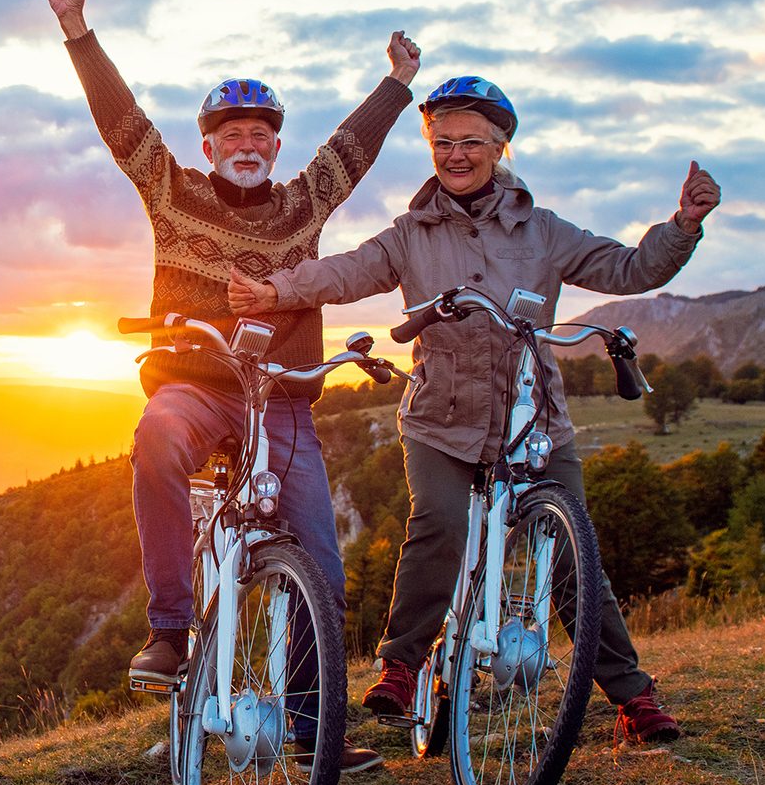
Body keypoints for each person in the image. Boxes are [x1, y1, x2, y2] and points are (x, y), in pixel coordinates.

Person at [228, 75, 722, 744]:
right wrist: (274, 290)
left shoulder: (543, 232)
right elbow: (345, 270)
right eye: (441, 142)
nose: (454, 154)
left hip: (533, 419)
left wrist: (684, 224)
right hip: (440, 419)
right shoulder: (412, 234)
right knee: (438, 525)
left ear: (500, 146)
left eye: (469, 141)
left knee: (575, 558)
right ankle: (402, 663)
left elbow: (630, 269)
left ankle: (632, 695)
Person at [45, 0, 420, 773]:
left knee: (320, 563)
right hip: (196, 384)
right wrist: (79, 31)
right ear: (208, 143)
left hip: (281, 401)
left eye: (260, 134)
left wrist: (396, 84)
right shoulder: (171, 191)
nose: (246, 145)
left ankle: (313, 729)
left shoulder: (303, 205)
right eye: (230, 134)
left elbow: (350, 151)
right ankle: (171, 630)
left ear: (275, 146)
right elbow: (123, 126)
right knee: (156, 441)